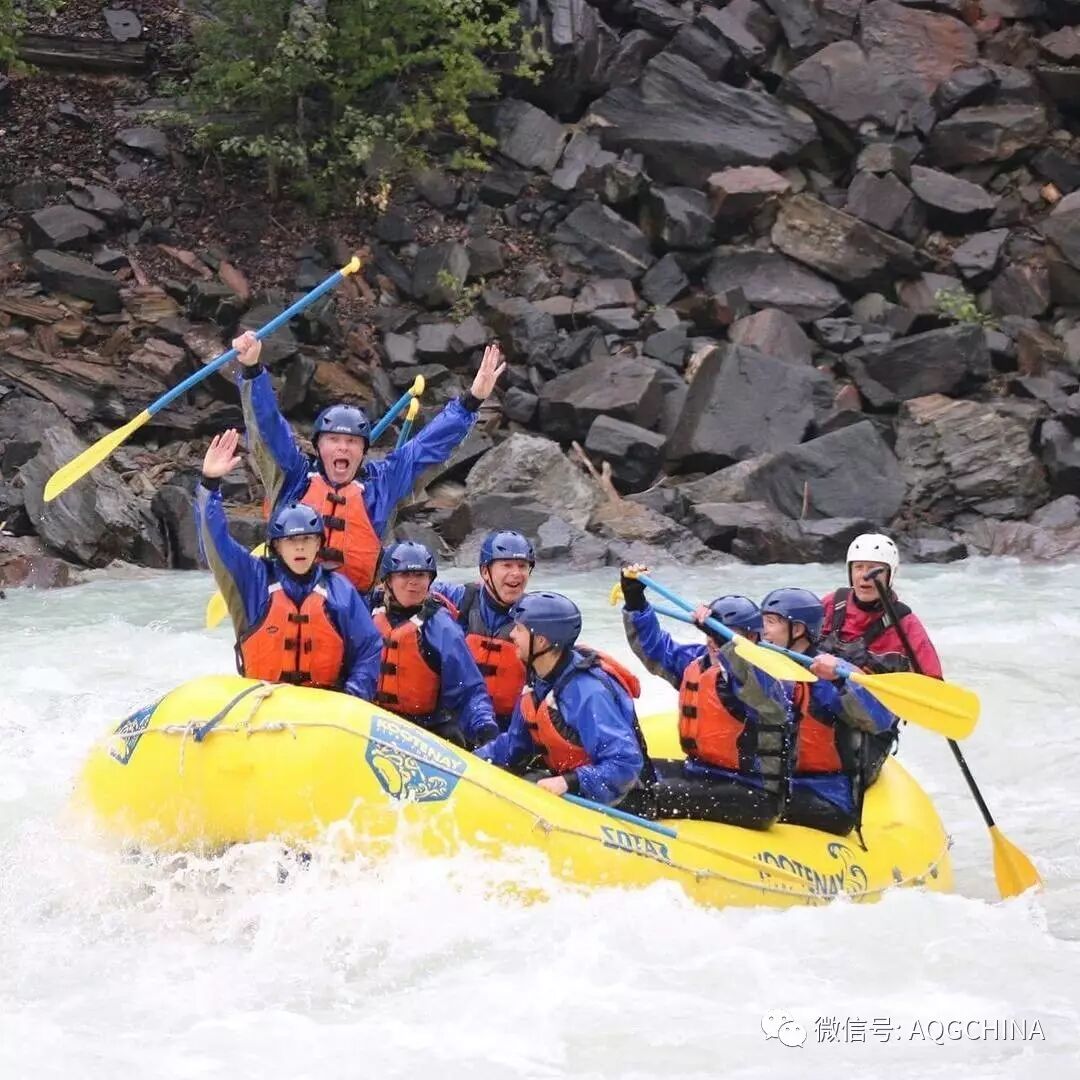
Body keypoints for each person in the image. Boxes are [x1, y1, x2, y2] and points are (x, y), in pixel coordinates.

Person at [233, 331, 505, 594]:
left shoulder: (381, 485)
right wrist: (253, 371)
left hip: (356, 609)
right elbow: (269, 428)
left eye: (352, 442)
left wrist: (472, 401)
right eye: (334, 440)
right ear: (318, 447)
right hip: (295, 603)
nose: (343, 447)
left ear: (363, 451)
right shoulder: (294, 479)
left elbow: (427, 447)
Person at [197, 429, 382, 698]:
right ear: (276, 546)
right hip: (263, 701)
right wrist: (209, 484)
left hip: (324, 707)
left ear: (319, 545)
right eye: (291, 541)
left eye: (307, 539)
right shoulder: (253, 580)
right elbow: (216, 542)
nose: (300, 547)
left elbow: (369, 647)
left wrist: (355, 693)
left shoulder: (339, 591)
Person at [620, 568, 788, 829]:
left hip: (753, 792)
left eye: (724, 633)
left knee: (648, 794)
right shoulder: (696, 661)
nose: (713, 640)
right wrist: (635, 602)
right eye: (711, 632)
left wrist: (726, 644)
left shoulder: (765, 675)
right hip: (700, 772)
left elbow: (755, 686)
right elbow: (655, 649)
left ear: (753, 638)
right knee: (627, 773)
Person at [475, 592, 654, 810]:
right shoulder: (539, 679)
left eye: (519, 629)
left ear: (541, 641)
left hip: (621, 800)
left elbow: (625, 764)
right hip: (575, 786)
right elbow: (514, 746)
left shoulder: (588, 692)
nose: (511, 635)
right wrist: (471, 761)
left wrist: (567, 782)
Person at [760, 587, 898, 838]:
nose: (763, 630)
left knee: (755, 799)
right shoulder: (765, 666)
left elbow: (880, 719)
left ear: (798, 630)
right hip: (780, 781)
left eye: (771, 622)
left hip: (825, 795)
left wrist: (842, 677)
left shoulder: (828, 676)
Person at [372, 539, 498, 749]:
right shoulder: (370, 614)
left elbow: (469, 691)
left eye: (421, 575)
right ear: (388, 581)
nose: (414, 582)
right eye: (404, 574)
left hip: (426, 731)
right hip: (373, 722)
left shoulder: (443, 628)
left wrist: (486, 730)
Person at [433, 530, 534, 731]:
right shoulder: (463, 598)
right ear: (485, 571)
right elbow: (416, 587)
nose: (516, 573)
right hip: (454, 722)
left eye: (522, 566)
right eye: (506, 565)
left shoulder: (535, 617)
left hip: (504, 730)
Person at [817, 533, 942, 678]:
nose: (864, 575)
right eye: (858, 567)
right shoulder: (832, 603)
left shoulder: (905, 623)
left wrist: (852, 673)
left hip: (869, 697)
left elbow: (933, 680)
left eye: (874, 569)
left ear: (890, 575)